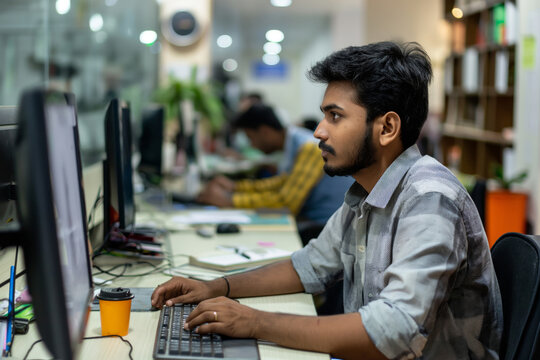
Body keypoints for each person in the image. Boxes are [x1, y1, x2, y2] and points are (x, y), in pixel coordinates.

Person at [152, 41, 502, 359]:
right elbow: (309, 265)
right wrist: (216, 287)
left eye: (335, 116)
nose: (319, 131)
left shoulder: (429, 199)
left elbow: (394, 331)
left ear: (387, 128)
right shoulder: (366, 193)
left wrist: (254, 322)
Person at [197, 103, 354, 234]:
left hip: (324, 227)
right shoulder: (292, 145)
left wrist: (230, 201)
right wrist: (234, 187)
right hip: (314, 221)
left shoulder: (309, 148)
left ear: (265, 131)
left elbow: (286, 202)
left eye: (250, 138)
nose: (251, 145)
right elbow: (281, 184)